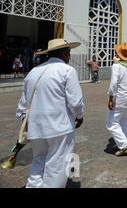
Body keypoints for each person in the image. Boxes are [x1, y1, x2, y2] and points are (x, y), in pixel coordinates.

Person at [16, 39, 84, 188]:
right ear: (64, 53)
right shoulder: (67, 70)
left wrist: (25, 120)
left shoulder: (34, 71)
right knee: (58, 166)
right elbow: (75, 102)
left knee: (38, 161)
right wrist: (79, 116)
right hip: (59, 127)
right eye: (68, 53)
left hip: (36, 127)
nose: (69, 56)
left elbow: (23, 104)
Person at [106, 43, 127, 156]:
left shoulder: (117, 66)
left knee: (111, 122)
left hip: (121, 97)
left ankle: (123, 144)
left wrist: (111, 98)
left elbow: (113, 84)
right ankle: (123, 143)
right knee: (125, 121)